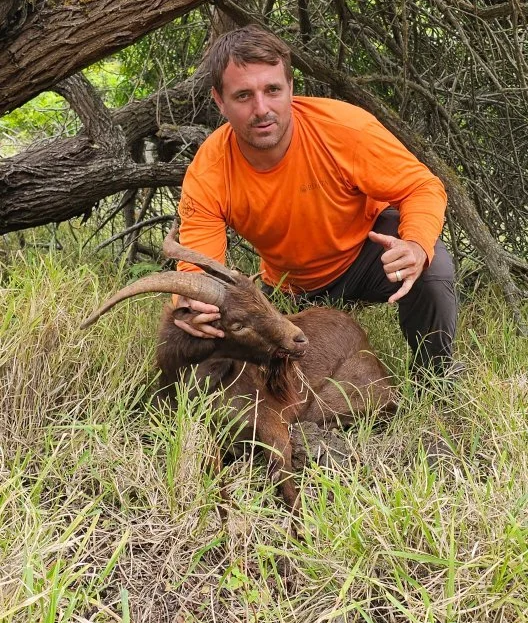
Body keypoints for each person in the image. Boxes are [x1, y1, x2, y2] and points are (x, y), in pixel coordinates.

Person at [163, 26, 458, 376]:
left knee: (433, 265)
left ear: (290, 88)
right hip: (289, 286)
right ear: (219, 101)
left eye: (272, 90)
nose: (262, 109)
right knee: (204, 325)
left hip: (364, 256)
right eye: (243, 96)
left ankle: (435, 379)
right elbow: (200, 267)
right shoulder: (208, 171)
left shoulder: (344, 129)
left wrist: (414, 246)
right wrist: (194, 303)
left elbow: (422, 186)